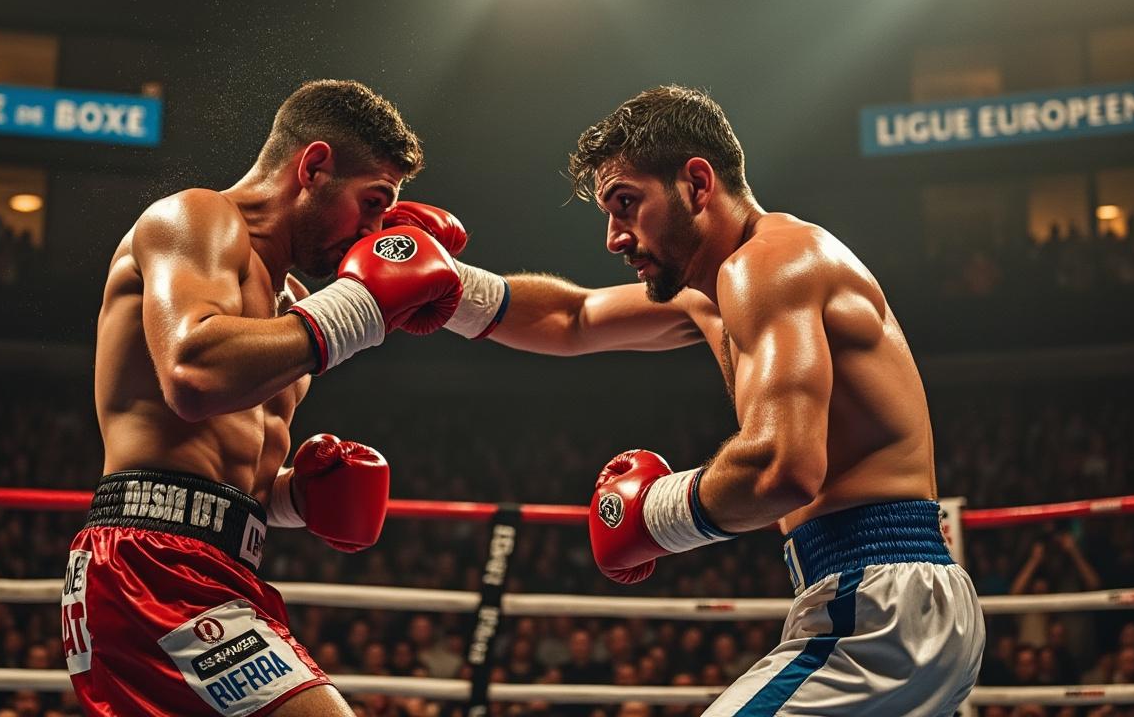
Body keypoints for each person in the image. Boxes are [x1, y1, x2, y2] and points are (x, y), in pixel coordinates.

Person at [417, 85, 984, 713]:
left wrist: (653, 515)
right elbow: (573, 317)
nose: (614, 236)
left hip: (877, 607)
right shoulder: (716, 288)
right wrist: (443, 285)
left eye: (626, 203)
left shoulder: (771, 265)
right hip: (882, 598)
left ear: (696, 182)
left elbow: (783, 467)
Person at [62, 79, 465, 717]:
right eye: (372, 202)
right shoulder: (195, 217)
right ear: (313, 166)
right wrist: (363, 305)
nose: (373, 229)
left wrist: (298, 496)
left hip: (216, 566)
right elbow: (192, 375)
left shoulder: (295, 310)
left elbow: (227, 470)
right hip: (150, 562)